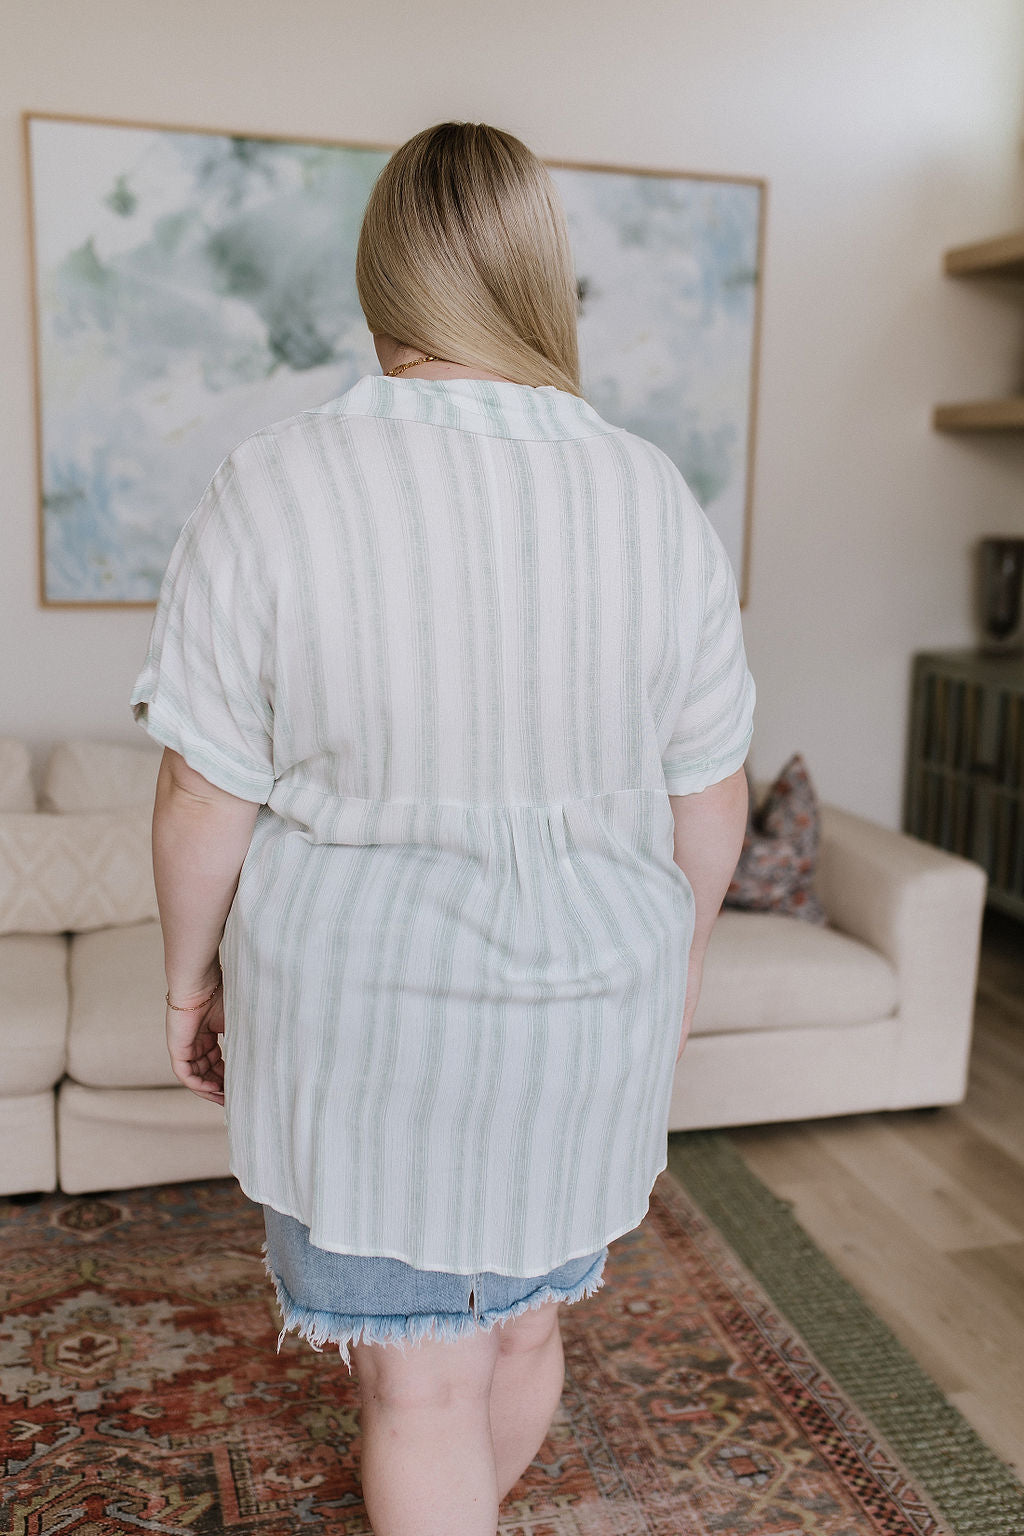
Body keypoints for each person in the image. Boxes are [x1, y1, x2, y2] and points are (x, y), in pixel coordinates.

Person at [131, 120, 754, 1536]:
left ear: (380, 273)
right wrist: (685, 954)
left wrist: (186, 977)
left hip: (365, 1016)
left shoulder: (275, 481)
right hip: (592, 1005)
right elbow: (708, 795)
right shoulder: (650, 493)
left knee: (416, 1396)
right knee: (527, 1332)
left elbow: (199, 791)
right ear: (539, 275)